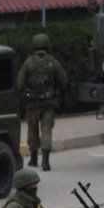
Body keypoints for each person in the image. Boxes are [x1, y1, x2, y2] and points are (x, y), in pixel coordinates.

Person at [16, 33, 69, 171]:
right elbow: (64, 80)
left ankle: (34, 159)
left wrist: (21, 97)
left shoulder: (28, 62)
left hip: (32, 104)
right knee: (46, 130)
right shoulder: (53, 62)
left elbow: (19, 83)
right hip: (49, 103)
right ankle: (46, 160)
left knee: (32, 130)